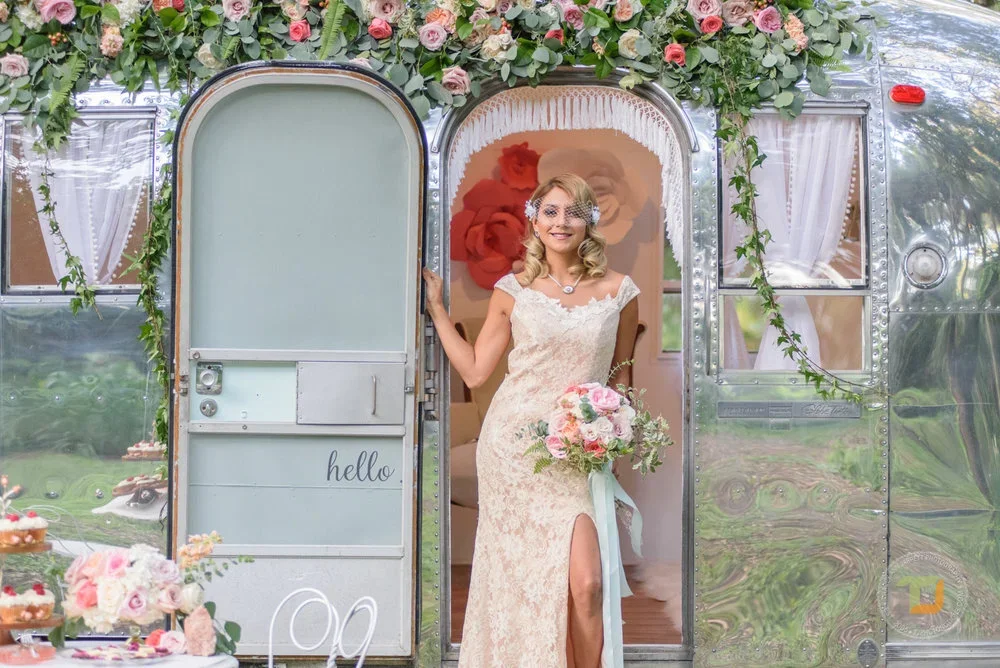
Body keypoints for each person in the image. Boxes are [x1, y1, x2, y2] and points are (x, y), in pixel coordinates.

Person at [423, 173, 640, 668]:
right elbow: (477, 372)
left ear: (590, 223)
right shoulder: (513, 289)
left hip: (581, 451)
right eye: (551, 211)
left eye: (574, 212)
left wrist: (616, 439)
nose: (561, 222)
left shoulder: (620, 291)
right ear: (535, 221)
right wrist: (437, 311)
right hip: (514, 449)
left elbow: (621, 378)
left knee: (587, 584)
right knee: (525, 582)